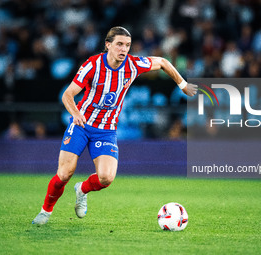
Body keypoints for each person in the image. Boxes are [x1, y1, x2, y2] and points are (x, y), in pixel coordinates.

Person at [32, 26, 197, 225]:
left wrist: (183, 84)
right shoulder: (92, 65)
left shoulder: (133, 65)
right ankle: (45, 211)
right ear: (108, 45)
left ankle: (82, 190)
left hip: (106, 131)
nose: (124, 49)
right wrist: (75, 113)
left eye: (127, 45)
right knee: (64, 173)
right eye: (119, 44)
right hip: (82, 124)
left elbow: (162, 62)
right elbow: (68, 94)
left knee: (106, 178)